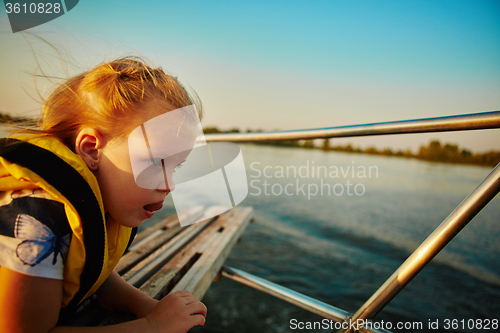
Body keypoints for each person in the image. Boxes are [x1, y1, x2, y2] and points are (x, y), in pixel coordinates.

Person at [0, 57, 207, 333]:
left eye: (176, 165)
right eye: (157, 161)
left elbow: (95, 275)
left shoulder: (98, 203)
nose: (170, 185)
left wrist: (146, 306)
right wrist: (152, 327)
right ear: (91, 149)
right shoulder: (38, 219)